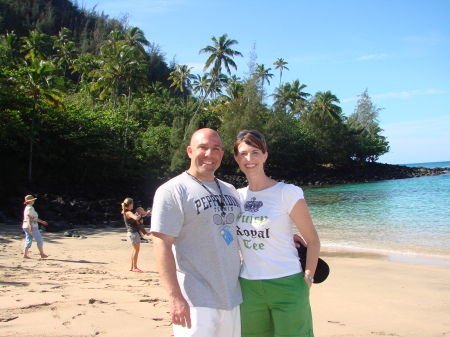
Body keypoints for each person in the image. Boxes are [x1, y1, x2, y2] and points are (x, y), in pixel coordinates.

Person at [151, 128, 242, 337]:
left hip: (232, 296)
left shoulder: (230, 190)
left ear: (222, 154)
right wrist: (175, 297)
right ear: (190, 151)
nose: (209, 154)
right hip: (194, 299)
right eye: (203, 147)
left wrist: (286, 235)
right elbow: (161, 244)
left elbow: (245, 229)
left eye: (215, 149)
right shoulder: (173, 190)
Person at [233, 130, 321, 337]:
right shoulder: (235, 197)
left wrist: (308, 277)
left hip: (287, 283)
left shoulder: (286, 192)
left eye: (255, 152)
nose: (249, 158)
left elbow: (313, 240)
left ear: (265, 156)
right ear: (236, 159)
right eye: (243, 153)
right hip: (248, 286)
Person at [121, 198, 150, 273]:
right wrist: (139, 214)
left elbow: (137, 218)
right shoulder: (128, 212)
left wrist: (143, 213)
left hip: (132, 233)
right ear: (129, 204)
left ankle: (133, 267)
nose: (133, 205)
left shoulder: (127, 212)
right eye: (132, 204)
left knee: (134, 250)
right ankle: (134, 267)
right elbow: (136, 218)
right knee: (136, 250)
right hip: (133, 233)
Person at [22, 195, 49, 259]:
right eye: (33, 200)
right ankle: (42, 254)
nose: (34, 201)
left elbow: (34, 218)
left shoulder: (27, 207)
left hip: (25, 226)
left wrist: (42, 222)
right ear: (30, 201)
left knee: (28, 239)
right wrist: (31, 226)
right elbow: (29, 217)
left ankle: (25, 254)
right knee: (39, 239)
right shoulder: (30, 208)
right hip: (32, 226)